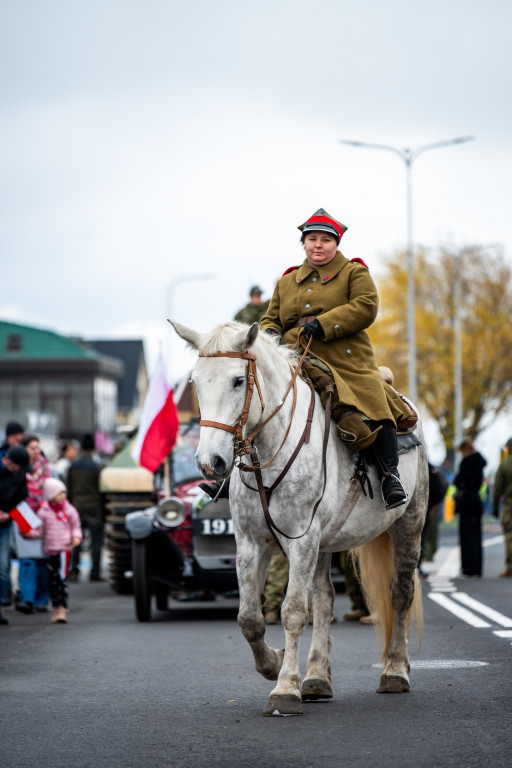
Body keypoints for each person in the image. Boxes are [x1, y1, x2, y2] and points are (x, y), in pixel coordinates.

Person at [259, 208, 415, 510]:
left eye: (326, 240)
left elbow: (366, 306)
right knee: (251, 395)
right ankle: (230, 477)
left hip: (344, 356)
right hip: (292, 353)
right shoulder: (286, 280)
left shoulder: (354, 273)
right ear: (304, 243)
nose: (318, 245)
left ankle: (389, 476)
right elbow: (271, 318)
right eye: (312, 239)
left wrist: (326, 323)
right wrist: (270, 334)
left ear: (336, 243)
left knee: (373, 395)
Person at [25, 478, 82, 623]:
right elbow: (39, 532)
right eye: (59, 493)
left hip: (65, 551)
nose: (63, 496)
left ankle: (63, 608)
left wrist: (76, 537)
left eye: (64, 493)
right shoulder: (43, 512)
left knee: (63, 580)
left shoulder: (69, 510)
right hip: (50, 551)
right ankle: (55, 608)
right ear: (50, 495)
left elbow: (76, 526)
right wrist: (26, 533)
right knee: (53, 581)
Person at [14, 435, 51, 613]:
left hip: (44, 515)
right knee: (27, 559)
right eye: (32, 448)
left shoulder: (48, 469)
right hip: (22, 513)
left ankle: (42, 599)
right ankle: (27, 598)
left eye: (37, 447)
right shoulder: (16, 469)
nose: (36, 451)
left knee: (43, 559)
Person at [67, 433, 105, 582]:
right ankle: (94, 573)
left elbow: (69, 489)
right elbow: (102, 491)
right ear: (93, 449)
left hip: (76, 508)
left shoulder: (73, 466)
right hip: (94, 508)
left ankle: (74, 571)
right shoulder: (98, 467)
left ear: (81, 448)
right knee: (96, 542)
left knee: (76, 541)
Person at [0, 446, 30, 624]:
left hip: (5, 524)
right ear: (10, 462)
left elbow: (21, 499)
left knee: (4, 564)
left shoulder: (19, 476)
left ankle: (5, 597)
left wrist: (9, 514)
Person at [453, 440, 487, 577]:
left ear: (465, 450)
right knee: (476, 537)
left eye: (462, 452)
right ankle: (477, 568)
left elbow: (457, 480)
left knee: (467, 537)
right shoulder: (479, 463)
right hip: (476, 503)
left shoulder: (467, 463)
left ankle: (468, 568)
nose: (461, 455)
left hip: (467, 503)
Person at [492, 437, 512, 577]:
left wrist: (495, 509)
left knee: (510, 537)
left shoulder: (505, 465)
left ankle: (510, 567)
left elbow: (497, 489)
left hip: (510, 507)